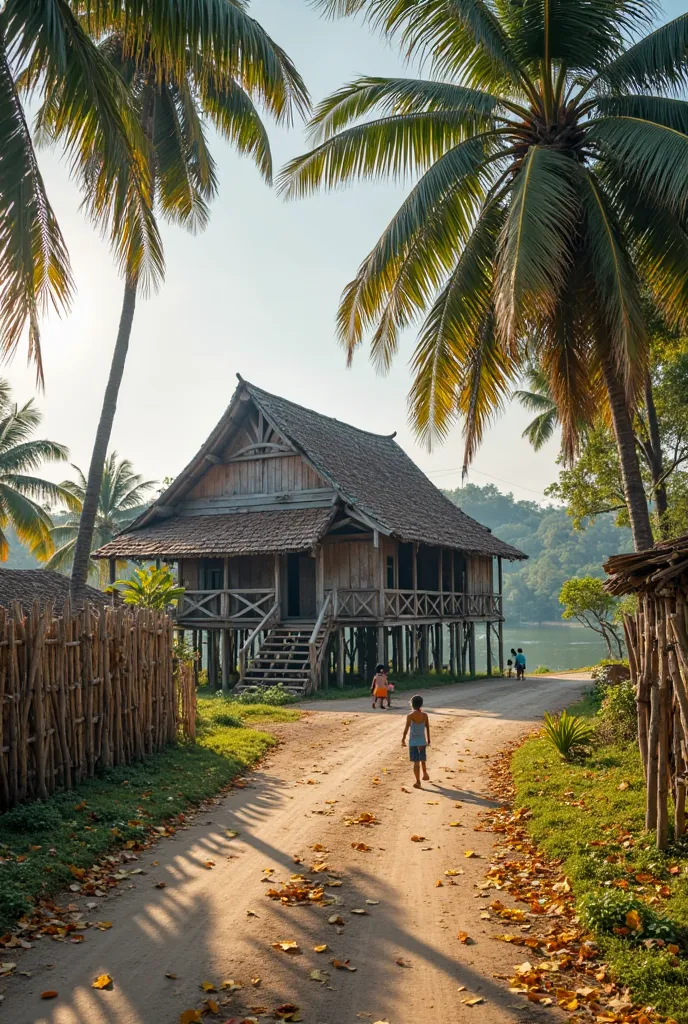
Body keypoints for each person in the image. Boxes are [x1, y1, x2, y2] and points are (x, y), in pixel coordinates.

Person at [402, 695, 431, 788]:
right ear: (421, 704)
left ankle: (418, 781)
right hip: (422, 740)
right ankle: (425, 773)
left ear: (412, 704)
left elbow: (406, 729)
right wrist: (429, 739)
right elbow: (427, 727)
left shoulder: (410, 716)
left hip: (413, 742)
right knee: (422, 759)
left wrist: (403, 739)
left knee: (416, 762)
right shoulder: (425, 715)